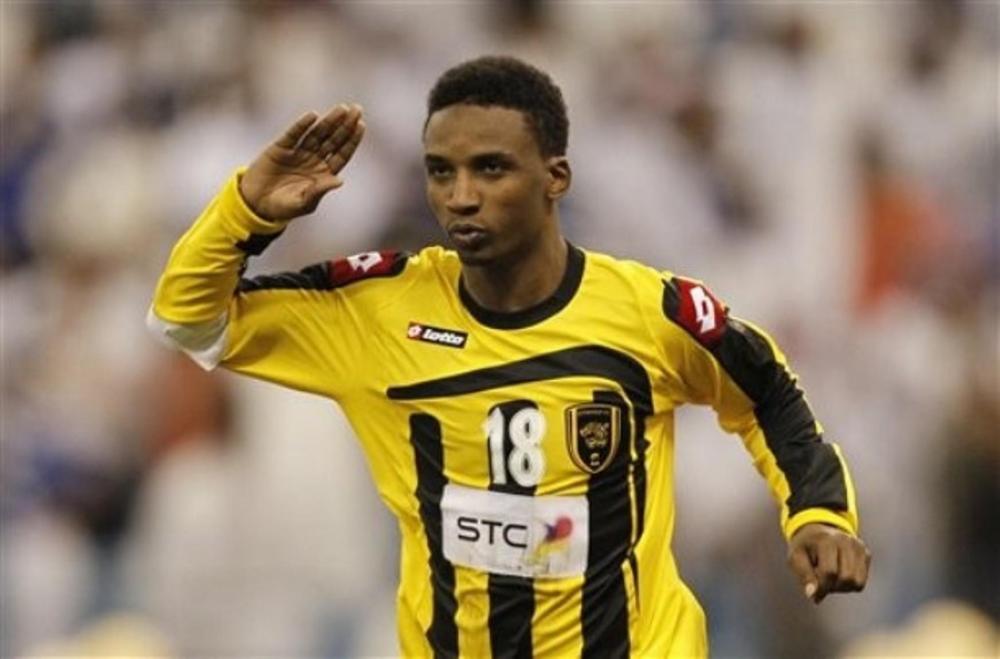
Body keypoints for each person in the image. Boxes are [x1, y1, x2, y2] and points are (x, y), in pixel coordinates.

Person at [148, 56, 871, 657]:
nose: (461, 196)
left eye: (491, 168)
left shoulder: (649, 313)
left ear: (556, 177)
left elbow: (768, 391)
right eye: (441, 171)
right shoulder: (378, 310)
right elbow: (187, 320)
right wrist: (245, 211)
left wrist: (818, 512)